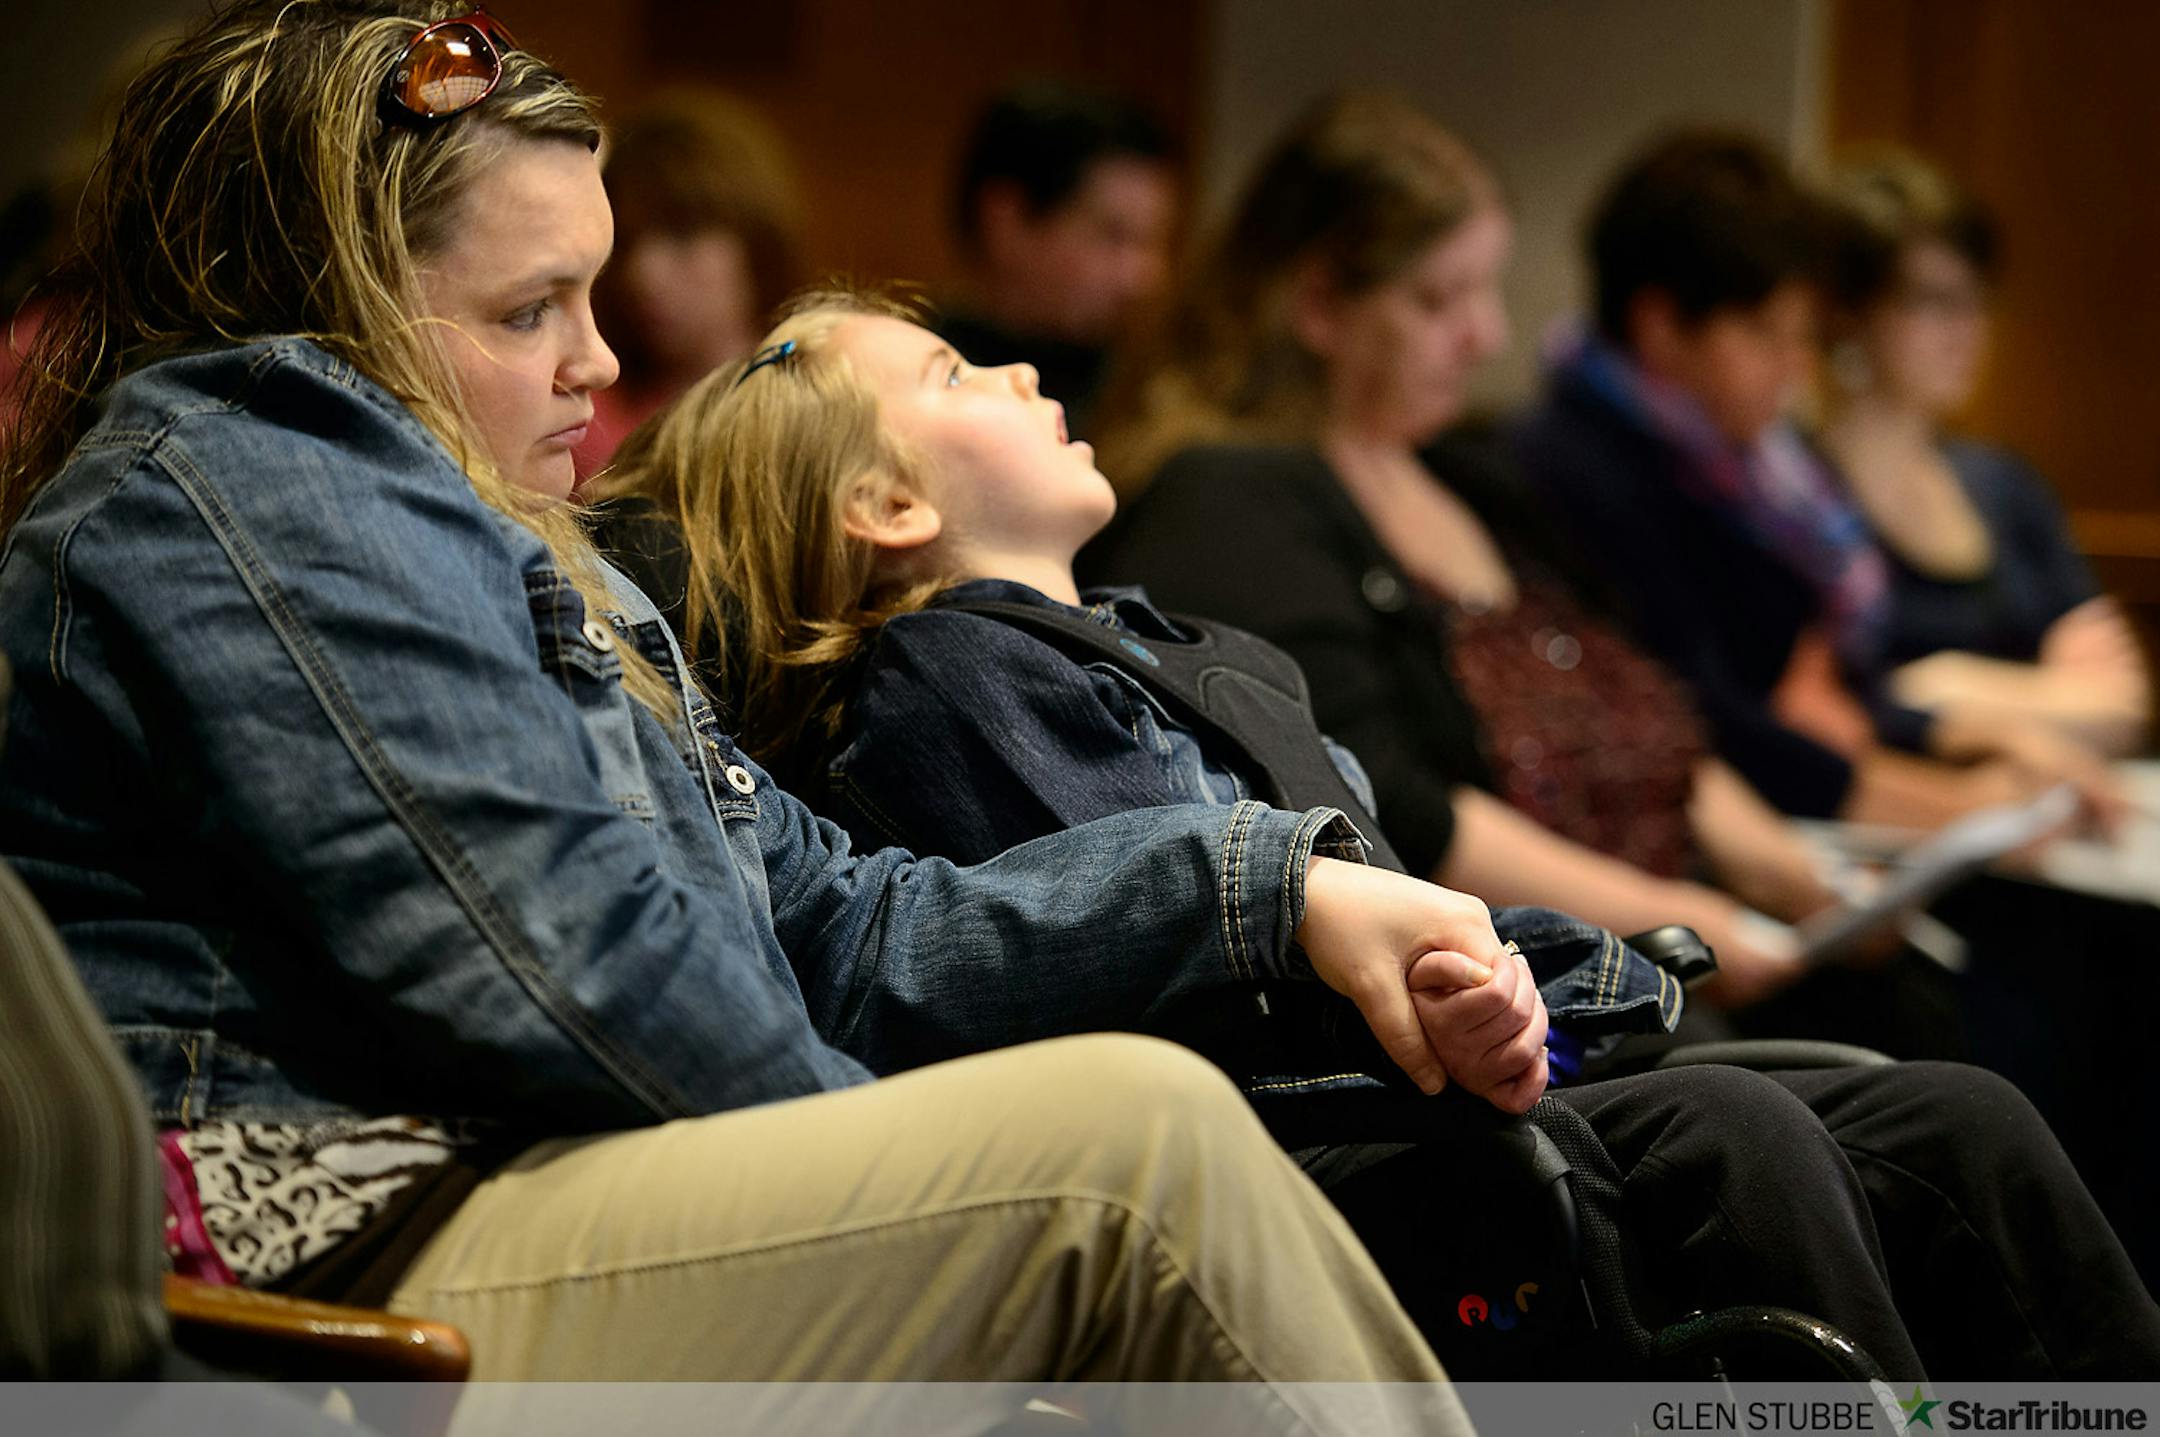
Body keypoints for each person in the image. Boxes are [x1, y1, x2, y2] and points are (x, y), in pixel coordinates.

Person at [0, 3, 1504, 1415]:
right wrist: (902, 1171)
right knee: (1131, 1154)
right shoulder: (256, 473)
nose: (596, 360)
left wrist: (1269, 884)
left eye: (588, 293)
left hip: (499, 1205)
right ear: (334, 304)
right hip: (322, 1265)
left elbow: (846, 930)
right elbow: (580, 971)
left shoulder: (520, 550)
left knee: (1144, 1134)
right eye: (532, 308)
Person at [594, 285, 2160, 1379]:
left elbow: (1393, 892)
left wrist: (1552, 978)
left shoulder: (1192, 644)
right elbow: (1193, 960)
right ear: (882, 509)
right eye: (951, 378)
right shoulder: (945, 683)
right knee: (1740, 1138)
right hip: (1319, 1133)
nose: (1013, 376)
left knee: (1957, 1117)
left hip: (1442, 1079)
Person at [1084, 92, 1867, 1016]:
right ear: (1321, 303)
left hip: (1665, 940)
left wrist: (1782, 865)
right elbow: (1385, 804)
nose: (1486, 335)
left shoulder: (1471, 473)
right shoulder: (1229, 498)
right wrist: (1675, 917)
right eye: (1439, 298)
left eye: (1484, 289)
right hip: (1513, 991)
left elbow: (1641, 694)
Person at [1512, 129, 2121, 831]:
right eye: (1769, 336)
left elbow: (1820, 694)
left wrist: (1974, 733)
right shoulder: (1578, 472)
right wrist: (1960, 807)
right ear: (1661, 326)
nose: (1798, 369)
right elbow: (1709, 721)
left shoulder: (1742, 472)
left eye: (1803, 337)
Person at [1820, 147, 2151, 757]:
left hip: (2040, 816)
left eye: (1976, 299)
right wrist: (2044, 695)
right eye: (1932, 300)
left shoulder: (2005, 486)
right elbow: (1827, 713)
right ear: (1853, 311)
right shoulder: (1794, 488)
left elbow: (2122, 703)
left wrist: (1950, 685)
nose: (1966, 329)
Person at [571, 86, 805, 481]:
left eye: (682, 235)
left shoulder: (821, 399)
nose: (641, 274)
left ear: (756, 239)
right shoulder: (584, 421)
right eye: (623, 241)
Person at [938, 82, 1176, 439]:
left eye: (1152, 241)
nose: (1143, 276)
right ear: (1006, 221)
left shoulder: (1149, 397)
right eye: (1112, 236)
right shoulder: (923, 386)